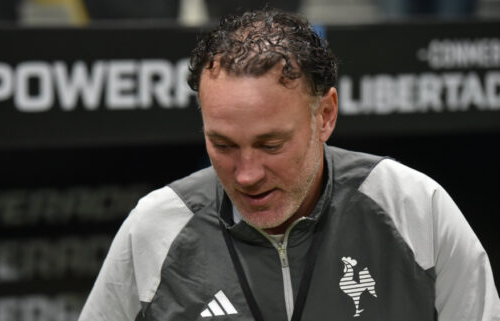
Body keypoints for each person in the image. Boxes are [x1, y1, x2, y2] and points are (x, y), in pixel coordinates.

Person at [78, 8, 500, 321]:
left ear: (326, 115)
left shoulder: (412, 207)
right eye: (222, 144)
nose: (246, 174)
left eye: (271, 144)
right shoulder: (154, 227)